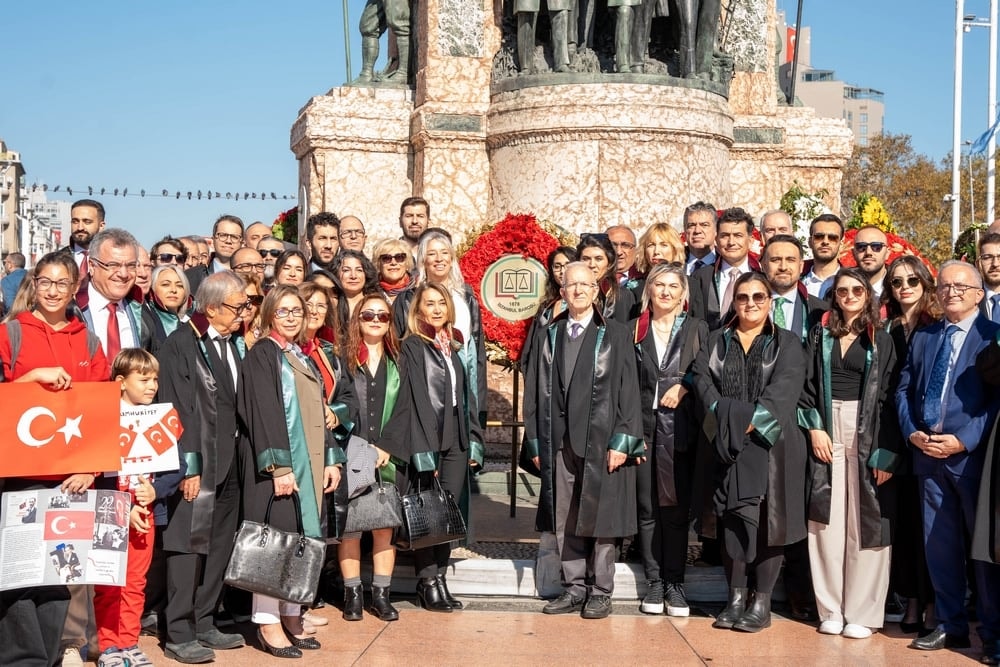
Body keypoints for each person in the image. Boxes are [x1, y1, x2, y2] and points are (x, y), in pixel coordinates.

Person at [0, 251, 109, 667]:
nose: (52, 290)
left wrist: (90, 467)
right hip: (19, 477)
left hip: (71, 480)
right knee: (19, 574)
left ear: (74, 288)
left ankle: (49, 654)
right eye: (45, 281)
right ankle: (20, 659)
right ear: (33, 284)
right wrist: (29, 379)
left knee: (59, 574)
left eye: (62, 283)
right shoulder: (10, 333)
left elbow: (101, 409)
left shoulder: (88, 340)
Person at [523, 261, 644, 619]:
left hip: (602, 441)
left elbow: (629, 392)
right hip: (558, 442)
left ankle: (601, 590)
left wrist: (622, 442)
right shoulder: (549, 335)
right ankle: (573, 587)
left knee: (603, 519)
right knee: (565, 515)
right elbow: (533, 393)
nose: (577, 291)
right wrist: (534, 442)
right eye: (570, 285)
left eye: (584, 285)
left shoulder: (617, 334)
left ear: (596, 291)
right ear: (561, 293)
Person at [896, 260, 1000, 660]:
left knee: (982, 552)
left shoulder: (993, 337)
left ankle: (992, 633)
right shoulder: (925, 336)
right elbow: (903, 390)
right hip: (927, 458)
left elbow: (997, 401)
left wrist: (963, 440)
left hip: (971, 461)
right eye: (944, 286)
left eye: (960, 285)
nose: (951, 291)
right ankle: (949, 623)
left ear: (978, 293)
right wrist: (912, 433)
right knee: (938, 546)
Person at [693, 272, 807, 633]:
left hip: (771, 446)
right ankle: (735, 598)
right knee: (733, 521)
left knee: (769, 524)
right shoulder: (716, 340)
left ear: (770, 302)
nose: (751, 303)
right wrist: (725, 421)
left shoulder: (786, 343)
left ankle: (761, 602)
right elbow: (701, 379)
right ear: (734, 302)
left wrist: (747, 422)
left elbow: (786, 387)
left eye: (759, 297)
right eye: (743, 297)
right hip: (725, 448)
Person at [238, 285, 346, 657]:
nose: (290, 317)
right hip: (279, 467)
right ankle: (267, 620)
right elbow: (263, 412)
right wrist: (279, 466)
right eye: (283, 311)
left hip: (310, 465)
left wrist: (332, 456)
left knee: (301, 542)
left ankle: (291, 612)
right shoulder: (263, 354)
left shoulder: (299, 354)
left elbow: (320, 410)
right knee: (277, 543)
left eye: (296, 311)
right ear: (269, 314)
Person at [799, 268, 898, 639]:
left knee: (867, 520)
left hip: (868, 428)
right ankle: (831, 609)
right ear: (833, 296)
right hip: (827, 426)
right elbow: (806, 387)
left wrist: (886, 453)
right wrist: (813, 427)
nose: (850, 295)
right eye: (842, 290)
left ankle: (863, 611)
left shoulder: (881, 339)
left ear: (868, 294)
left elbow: (890, 395)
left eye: (858, 289)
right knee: (825, 519)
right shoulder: (820, 335)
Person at [156, 272, 249, 663]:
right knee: (187, 545)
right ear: (211, 308)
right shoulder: (180, 343)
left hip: (230, 463)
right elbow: (175, 406)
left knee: (220, 543)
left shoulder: (235, 344)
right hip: (197, 463)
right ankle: (178, 630)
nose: (243, 313)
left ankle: (206, 618)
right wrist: (188, 466)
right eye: (237, 307)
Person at [377, 283, 484, 612]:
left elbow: (465, 397)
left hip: (456, 438)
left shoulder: (450, 345)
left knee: (447, 514)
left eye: (442, 303)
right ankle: (428, 583)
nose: (437, 309)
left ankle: (440, 580)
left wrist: (474, 439)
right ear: (418, 310)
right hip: (429, 438)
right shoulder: (412, 346)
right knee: (429, 512)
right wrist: (423, 449)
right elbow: (412, 400)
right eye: (430, 304)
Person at [94, 349, 179, 667]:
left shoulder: (160, 418)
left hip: (145, 513)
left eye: (155, 379)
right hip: (109, 511)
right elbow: (95, 470)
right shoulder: (103, 419)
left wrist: (155, 490)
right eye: (143, 379)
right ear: (120, 382)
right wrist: (121, 506)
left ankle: (128, 642)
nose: (151, 386)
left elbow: (177, 466)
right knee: (108, 582)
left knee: (135, 581)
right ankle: (108, 646)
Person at [632, 263, 707, 617]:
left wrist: (685, 384)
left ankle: (675, 583)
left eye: (672, 286)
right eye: (658, 285)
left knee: (675, 512)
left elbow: (705, 371)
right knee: (647, 511)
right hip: (644, 432)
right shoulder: (634, 330)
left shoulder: (697, 330)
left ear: (683, 293)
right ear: (649, 289)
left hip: (680, 434)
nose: (665, 292)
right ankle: (654, 582)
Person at [881, 255, 940, 637]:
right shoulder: (886, 328)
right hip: (895, 431)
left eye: (912, 281)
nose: (904, 288)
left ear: (924, 284)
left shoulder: (936, 326)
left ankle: (933, 601)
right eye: (897, 282)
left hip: (930, 434)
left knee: (929, 526)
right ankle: (912, 599)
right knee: (901, 523)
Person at [339, 294, 402, 621]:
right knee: (351, 528)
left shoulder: (400, 359)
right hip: (353, 452)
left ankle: (381, 594)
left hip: (388, 457)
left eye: (382, 315)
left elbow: (406, 408)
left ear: (390, 321)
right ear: (357, 319)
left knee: (383, 528)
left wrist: (387, 445)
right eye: (368, 315)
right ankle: (352, 594)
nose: (375, 320)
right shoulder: (344, 358)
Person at [393, 230, 488, 436]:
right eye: (432, 253)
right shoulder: (408, 300)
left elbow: (476, 356)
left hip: (461, 392)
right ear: (423, 260)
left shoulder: (466, 298)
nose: (439, 259)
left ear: (452, 258)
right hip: (425, 394)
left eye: (444, 253)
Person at [77, 227, 150, 355]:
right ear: (92, 266)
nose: (123, 274)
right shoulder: (72, 308)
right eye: (113, 265)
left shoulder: (142, 312)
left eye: (131, 266)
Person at [689, 207, 761, 330]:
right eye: (725, 236)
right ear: (716, 240)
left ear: (750, 241)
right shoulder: (701, 278)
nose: (731, 242)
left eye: (738, 235)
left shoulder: (761, 277)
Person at [576, 233, 636, 322]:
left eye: (598, 259)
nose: (592, 265)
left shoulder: (620, 295)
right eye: (586, 259)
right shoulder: (573, 292)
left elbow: (623, 332)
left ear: (609, 263)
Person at [186, 215, 244, 295]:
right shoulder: (191, 277)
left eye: (234, 237)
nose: (228, 241)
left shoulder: (249, 275)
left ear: (241, 243)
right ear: (213, 240)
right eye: (223, 235)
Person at [141, 264, 191, 353]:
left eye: (180, 286)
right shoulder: (145, 322)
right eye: (165, 284)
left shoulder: (191, 325)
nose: (173, 290)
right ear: (153, 289)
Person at [802, 214, 844, 299]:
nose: (825, 241)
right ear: (810, 242)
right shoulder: (797, 281)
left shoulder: (852, 282)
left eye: (832, 238)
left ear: (841, 244)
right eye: (819, 237)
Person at [333, 250, 378, 325]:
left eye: (359, 270)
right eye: (346, 270)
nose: (353, 276)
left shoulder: (376, 304)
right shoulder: (330, 305)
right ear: (336, 274)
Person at [851, 226, 890, 298]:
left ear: (887, 253)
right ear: (853, 253)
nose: (868, 252)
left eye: (876, 247)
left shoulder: (899, 287)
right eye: (861, 247)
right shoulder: (842, 290)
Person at [373, 238, 415, 304]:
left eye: (399, 257)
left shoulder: (418, 292)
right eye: (386, 258)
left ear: (407, 263)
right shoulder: (370, 293)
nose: (393, 263)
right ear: (378, 264)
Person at [683, 201, 717, 275]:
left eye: (704, 225)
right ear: (685, 231)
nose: (697, 231)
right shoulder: (675, 264)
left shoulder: (725, 263)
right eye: (692, 225)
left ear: (716, 230)